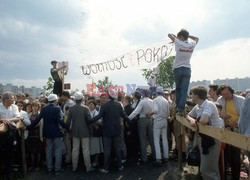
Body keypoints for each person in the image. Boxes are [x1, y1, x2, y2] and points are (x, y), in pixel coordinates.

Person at [26, 94, 70, 175]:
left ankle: (49, 168)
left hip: (47, 133)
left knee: (48, 150)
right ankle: (57, 169)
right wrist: (68, 127)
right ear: (55, 100)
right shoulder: (57, 108)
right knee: (58, 151)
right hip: (57, 132)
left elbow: (37, 120)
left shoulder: (44, 109)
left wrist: (29, 127)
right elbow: (60, 121)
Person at [186, 86, 222, 180]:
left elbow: (204, 120)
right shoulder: (198, 106)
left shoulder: (208, 104)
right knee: (210, 169)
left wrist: (195, 121)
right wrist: (191, 120)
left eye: (192, 95)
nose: (191, 97)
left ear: (197, 96)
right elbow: (188, 115)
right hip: (204, 138)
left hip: (212, 139)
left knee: (207, 170)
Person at [88, 93, 129, 174]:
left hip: (107, 131)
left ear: (109, 97)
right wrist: (130, 121)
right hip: (117, 130)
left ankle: (105, 168)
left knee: (107, 150)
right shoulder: (118, 105)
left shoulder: (104, 105)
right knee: (117, 148)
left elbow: (98, 116)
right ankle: (120, 166)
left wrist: (90, 120)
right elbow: (124, 116)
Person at [168, 29, 199, 116]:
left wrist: (175, 37)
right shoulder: (191, 44)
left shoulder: (178, 42)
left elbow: (169, 34)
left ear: (181, 37)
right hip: (187, 69)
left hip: (178, 69)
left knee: (178, 89)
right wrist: (188, 36)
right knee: (184, 90)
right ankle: (181, 109)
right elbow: (197, 38)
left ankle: (178, 107)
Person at [217, 85, 245, 180]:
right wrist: (222, 115)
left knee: (236, 156)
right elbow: (217, 113)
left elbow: (246, 116)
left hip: (238, 130)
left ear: (231, 91)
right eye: (223, 94)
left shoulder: (241, 100)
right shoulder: (220, 100)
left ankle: (235, 176)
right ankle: (224, 175)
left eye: (227, 93)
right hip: (226, 130)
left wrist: (236, 122)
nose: (225, 96)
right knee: (225, 155)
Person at [66, 92, 94, 172]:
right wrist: (91, 132)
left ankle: (74, 166)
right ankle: (88, 167)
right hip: (85, 131)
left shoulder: (71, 109)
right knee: (85, 149)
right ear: (82, 99)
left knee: (75, 149)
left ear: (75, 99)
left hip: (75, 131)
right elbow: (89, 122)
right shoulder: (86, 108)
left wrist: (69, 131)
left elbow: (68, 122)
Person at [128, 89, 155, 164]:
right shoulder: (152, 101)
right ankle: (155, 156)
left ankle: (144, 158)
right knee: (151, 139)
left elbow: (136, 112)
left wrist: (128, 118)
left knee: (142, 139)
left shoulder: (142, 101)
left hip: (142, 120)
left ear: (143, 94)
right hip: (150, 120)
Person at [0, 92, 21, 180]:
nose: (14, 99)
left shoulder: (15, 107)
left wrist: (8, 120)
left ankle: (8, 174)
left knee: (10, 153)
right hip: (0, 134)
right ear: (6, 99)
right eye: (12, 98)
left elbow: (18, 118)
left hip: (11, 134)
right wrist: (1, 119)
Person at [147, 86, 169, 166]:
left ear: (156, 92)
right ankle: (166, 156)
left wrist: (149, 114)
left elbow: (155, 110)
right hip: (164, 120)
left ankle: (158, 158)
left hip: (157, 120)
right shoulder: (166, 101)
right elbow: (168, 113)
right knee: (164, 139)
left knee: (156, 140)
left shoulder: (155, 100)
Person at [88, 100, 103, 167]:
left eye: (92, 104)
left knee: (97, 147)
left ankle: (96, 160)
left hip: (95, 133)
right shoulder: (87, 112)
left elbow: (99, 122)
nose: (90, 105)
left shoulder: (96, 113)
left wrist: (92, 122)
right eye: (89, 104)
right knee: (91, 147)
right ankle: (92, 160)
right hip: (90, 132)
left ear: (95, 105)